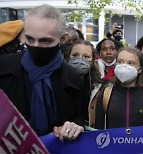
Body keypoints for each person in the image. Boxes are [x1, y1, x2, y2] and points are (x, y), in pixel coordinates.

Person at [0, 4, 84, 141]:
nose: (36, 46)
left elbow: (78, 117)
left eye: (45, 41)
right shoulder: (3, 67)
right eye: (30, 39)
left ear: (63, 39)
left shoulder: (72, 78)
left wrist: (73, 127)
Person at [95, 47, 143, 129]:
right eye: (120, 62)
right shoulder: (106, 94)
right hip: (114, 141)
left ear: (140, 69)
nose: (124, 66)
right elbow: (98, 129)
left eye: (130, 63)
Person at [67, 39, 101, 125]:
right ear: (68, 57)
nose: (80, 60)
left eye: (86, 57)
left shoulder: (97, 86)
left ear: (93, 61)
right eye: (75, 55)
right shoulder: (58, 82)